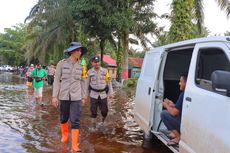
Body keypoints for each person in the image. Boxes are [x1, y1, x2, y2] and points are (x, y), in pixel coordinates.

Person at [52, 42, 87, 152]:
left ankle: (75, 145)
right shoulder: (61, 64)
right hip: (64, 96)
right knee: (64, 118)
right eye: (78, 50)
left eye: (81, 50)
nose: (80, 52)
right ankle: (65, 135)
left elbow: (83, 81)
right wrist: (54, 96)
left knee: (75, 120)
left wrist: (84, 96)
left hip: (76, 97)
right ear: (72, 51)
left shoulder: (82, 66)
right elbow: (56, 80)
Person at [160, 73, 187, 146]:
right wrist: (173, 105)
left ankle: (178, 137)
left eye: (181, 81)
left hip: (185, 124)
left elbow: (174, 113)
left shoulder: (183, 94)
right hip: (187, 122)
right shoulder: (187, 93)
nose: (179, 83)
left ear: (186, 83)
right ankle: (177, 134)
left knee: (164, 114)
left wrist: (166, 106)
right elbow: (181, 108)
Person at [86, 55, 113, 126]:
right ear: (92, 63)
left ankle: (103, 122)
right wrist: (85, 96)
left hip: (103, 94)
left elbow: (109, 83)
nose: (97, 63)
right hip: (93, 94)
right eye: (95, 62)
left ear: (100, 62)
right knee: (93, 111)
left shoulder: (105, 71)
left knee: (104, 111)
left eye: (98, 62)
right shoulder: (89, 72)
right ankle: (93, 125)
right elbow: (86, 84)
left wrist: (111, 93)